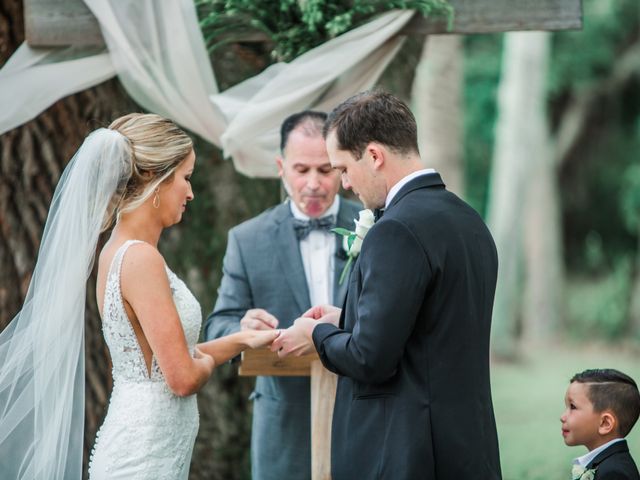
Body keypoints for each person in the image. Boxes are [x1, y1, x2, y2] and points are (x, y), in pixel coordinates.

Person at [0, 113, 277, 480]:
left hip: (150, 449)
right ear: (153, 178)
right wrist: (207, 364)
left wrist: (242, 340)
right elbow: (182, 378)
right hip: (143, 460)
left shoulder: (123, 252)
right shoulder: (140, 259)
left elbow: (166, 362)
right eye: (185, 178)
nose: (191, 192)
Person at [272, 91, 502, 479]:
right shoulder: (469, 222)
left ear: (375, 156)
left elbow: (370, 358)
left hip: (408, 452)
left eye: (343, 168)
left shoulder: (394, 229)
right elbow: (433, 325)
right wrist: (347, 317)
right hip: (466, 447)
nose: (344, 183)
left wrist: (318, 333)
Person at [204, 110, 361, 480]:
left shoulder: (374, 226)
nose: (313, 184)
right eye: (301, 170)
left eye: (325, 170)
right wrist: (242, 326)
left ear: (341, 168)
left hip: (363, 415)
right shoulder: (248, 239)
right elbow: (216, 328)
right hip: (284, 427)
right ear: (281, 166)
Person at [561, 369, 640, 480]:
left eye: (573, 407)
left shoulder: (614, 474)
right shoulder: (605, 464)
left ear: (605, 423)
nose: (562, 417)